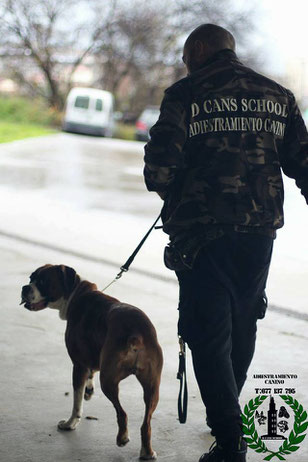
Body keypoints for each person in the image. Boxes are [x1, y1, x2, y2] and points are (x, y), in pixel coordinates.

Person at [143, 23, 308, 462]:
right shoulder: (278, 96)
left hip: (202, 234)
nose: (184, 64)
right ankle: (228, 420)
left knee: (207, 333)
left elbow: (159, 170)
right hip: (259, 236)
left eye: (185, 56)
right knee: (242, 323)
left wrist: (173, 189)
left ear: (199, 48)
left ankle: (230, 439)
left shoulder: (186, 94)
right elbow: (304, 162)